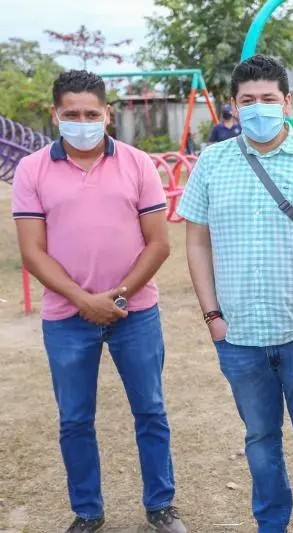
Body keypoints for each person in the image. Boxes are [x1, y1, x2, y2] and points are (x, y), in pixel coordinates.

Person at [11, 70, 186, 533]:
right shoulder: (33, 170)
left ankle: (161, 506)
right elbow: (32, 251)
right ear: (56, 114)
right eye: (72, 114)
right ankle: (87, 511)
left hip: (136, 311)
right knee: (74, 418)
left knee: (150, 409)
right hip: (67, 317)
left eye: (92, 113)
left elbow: (158, 243)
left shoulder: (137, 163)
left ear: (108, 114)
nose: (82, 121)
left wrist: (118, 296)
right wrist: (83, 299)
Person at [177, 55, 293, 533]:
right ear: (233, 107)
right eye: (249, 101)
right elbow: (197, 240)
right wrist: (212, 317)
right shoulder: (212, 161)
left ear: (288, 102)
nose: (260, 108)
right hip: (238, 332)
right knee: (260, 436)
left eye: (269, 99)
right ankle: (270, 523)